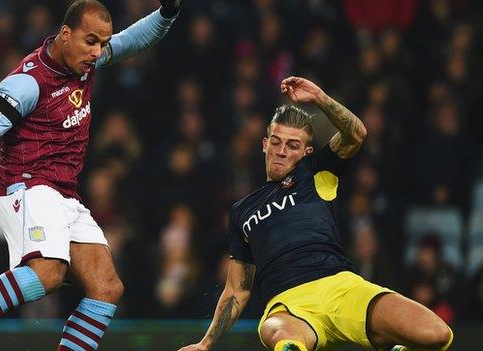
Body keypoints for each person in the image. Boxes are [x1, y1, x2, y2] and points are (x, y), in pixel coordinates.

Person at [0, 1, 182, 350]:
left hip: (64, 193)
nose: (98, 52)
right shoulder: (28, 83)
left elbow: (133, 40)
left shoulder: (84, 60)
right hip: (25, 186)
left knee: (107, 286)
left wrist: (168, 13)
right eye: (91, 41)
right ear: (65, 34)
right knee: (48, 272)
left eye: (102, 43)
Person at [178, 76, 453, 351]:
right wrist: (205, 344)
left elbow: (356, 134)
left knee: (438, 335)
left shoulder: (316, 171)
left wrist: (320, 97)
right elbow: (237, 290)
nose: (282, 151)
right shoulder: (241, 211)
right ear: (264, 144)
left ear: (306, 152)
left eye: (292, 145)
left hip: (343, 288)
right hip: (289, 307)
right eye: (276, 142)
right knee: (285, 342)